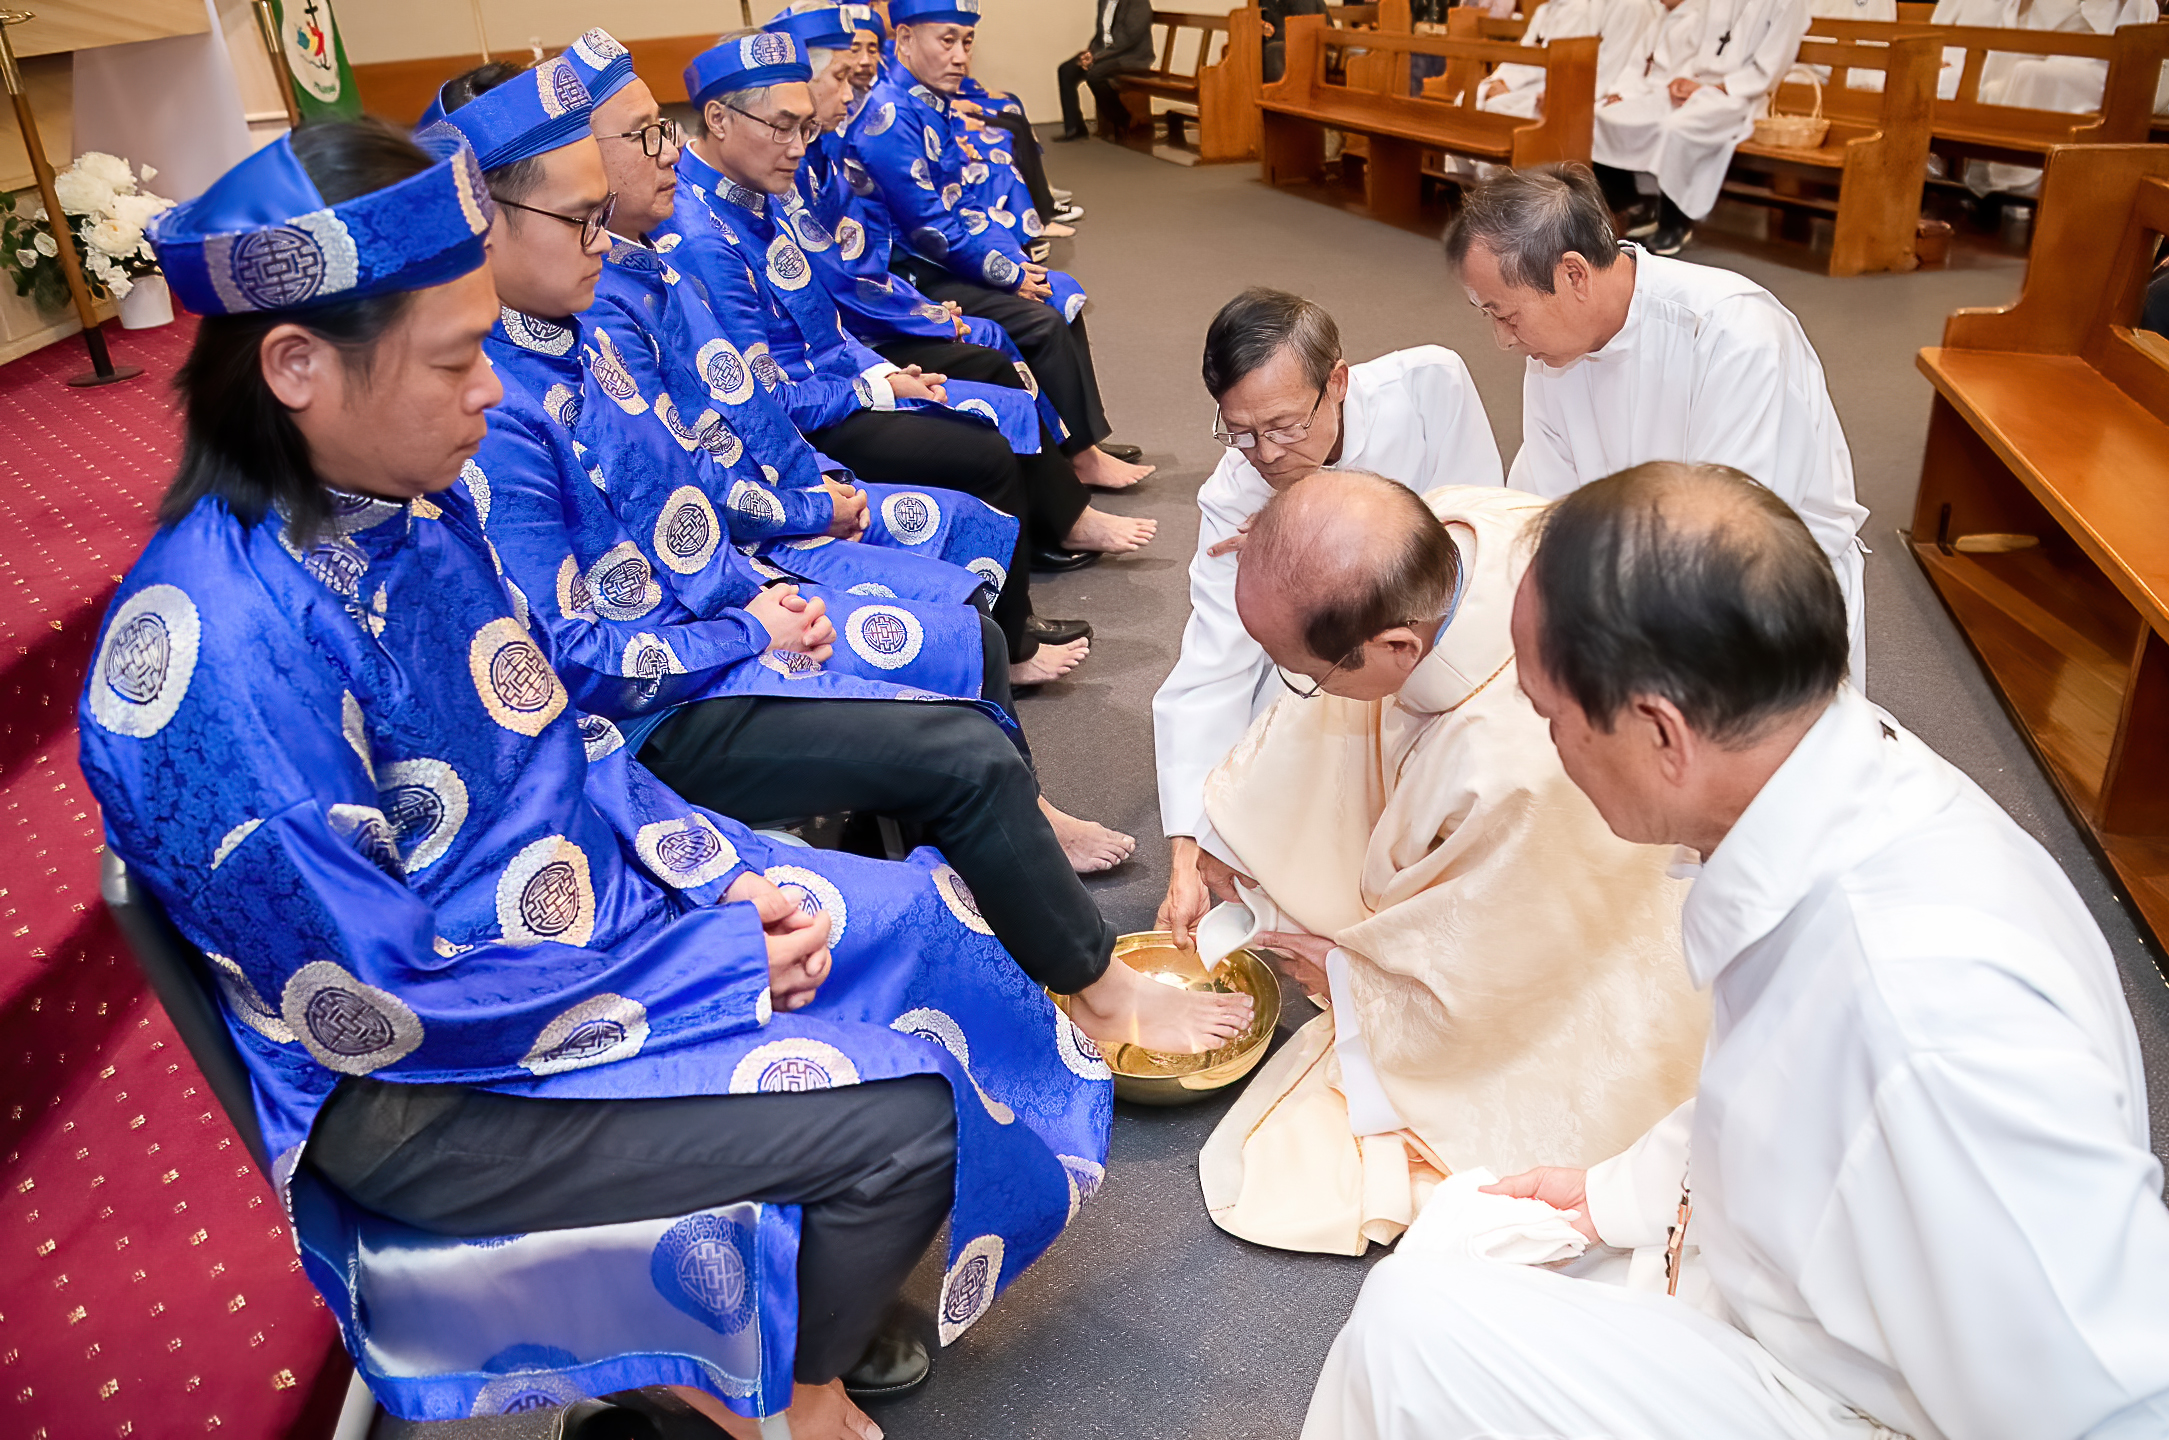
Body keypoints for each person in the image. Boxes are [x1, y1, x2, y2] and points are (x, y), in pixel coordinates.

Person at [94, 117, 1115, 1440]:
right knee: (905, 1120)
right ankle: (779, 1391)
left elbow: (561, 738)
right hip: (436, 1083)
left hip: (571, 920)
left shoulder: (406, 506)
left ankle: (762, 1321)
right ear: (295, 365)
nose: (489, 389)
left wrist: (715, 878)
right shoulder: (220, 652)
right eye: (454, 360)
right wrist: (714, 965)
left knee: (918, 916)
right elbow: (379, 1007)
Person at [1301, 461, 2169, 1440]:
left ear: (1660, 732)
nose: (1548, 751)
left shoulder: (1925, 1016)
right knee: (1466, 1231)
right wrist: (1612, 1195)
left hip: (1868, 1404)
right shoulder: (1829, 781)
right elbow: (1787, 1092)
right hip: (1806, 1304)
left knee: (1409, 1332)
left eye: (1550, 719)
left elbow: (2119, 1403)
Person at [1188, 471, 1708, 1255]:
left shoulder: (1520, 756)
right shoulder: (1459, 524)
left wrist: (1352, 978)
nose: (1301, 692)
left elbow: (1502, 952)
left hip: (1615, 905)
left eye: (1307, 676)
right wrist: (1227, 837)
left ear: (1398, 646)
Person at [668, 30, 1156, 587]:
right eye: (783, 126)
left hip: (841, 372)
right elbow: (767, 393)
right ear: (718, 119)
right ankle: (1013, 614)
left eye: (805, 127)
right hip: (803, 423)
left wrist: (883, 372)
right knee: (986, 438)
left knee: (997, 371)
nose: (799, 145)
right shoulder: (705, 234)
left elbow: (825, 317)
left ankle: (1056, 520)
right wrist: (880, 380)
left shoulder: (758, 190)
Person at [1152, 289, 1504, 948]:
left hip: (1455, 626)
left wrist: (1309, 541)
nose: (1265, 454)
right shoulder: (1234, 491)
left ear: (1336, 382)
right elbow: (1211, 667)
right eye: (1239, 432)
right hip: (1333, 664)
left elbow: (1477, 522)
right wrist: (1187, 846)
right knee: (1276, 752)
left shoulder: (1430, 386)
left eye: (1284, 425)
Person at [1445, 164, 1869, 683]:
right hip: (1625, 589)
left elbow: (1735, 535)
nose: (1503, 340)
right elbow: (1543, 509)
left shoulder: (1733, 333)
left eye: (1506, 315)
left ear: (1573, 275)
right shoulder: (1556, 352)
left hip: (1761, 599)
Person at [849, 0, 1156, 502]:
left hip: (945, 259)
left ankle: (1082, 443)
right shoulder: (889, 115)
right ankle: (1077, 454)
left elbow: (966, 204)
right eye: (946, 40)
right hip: (910, 273)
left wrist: (1016, 265)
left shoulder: (927, 101)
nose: (960, 56)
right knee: (1040, 320)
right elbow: (930, 230)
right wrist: (1007, 276)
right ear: (903, 39)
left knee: (1055, 290)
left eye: (966, 42)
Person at [1589, 0, 1809, 253]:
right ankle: (1626, 204)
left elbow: (1770, 68)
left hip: (1740, 97)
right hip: (1699, 89)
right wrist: (1682, 81)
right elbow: (1695, 49)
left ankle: (1675, 220)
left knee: (1675, 127)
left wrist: (1716, 87)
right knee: (1610, 115)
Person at [1477, 0, 1657, 119]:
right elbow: (1528, 53)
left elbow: (1611, 70)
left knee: (1501, 112)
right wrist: (1501, 80)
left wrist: (1562, 93)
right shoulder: (1576, 6)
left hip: (1595, 95)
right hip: (1562, 85)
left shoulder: (1630, 6)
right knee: (1487, 104)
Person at [1056, 0, 1155, 139]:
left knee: (1094, 74)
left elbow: (1130, 38)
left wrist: (1096, 57)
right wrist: (1090, 53)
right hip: (1105, 55)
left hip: (1129, 56)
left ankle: (1123, 120)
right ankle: (1074, 128)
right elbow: (1101, 36)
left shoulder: (1137, 2)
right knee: (1067, 70)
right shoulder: (1104, 1)